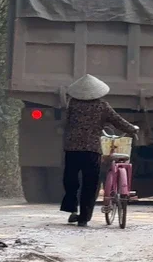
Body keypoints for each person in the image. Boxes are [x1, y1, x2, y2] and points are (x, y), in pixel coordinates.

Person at [60, 74, 139, 227]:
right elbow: (117, 121)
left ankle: (71, 206)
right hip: (91, 150)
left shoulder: (72, 104)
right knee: (90, 183)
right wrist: (132, 129)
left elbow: (66, 122)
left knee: (71, 179)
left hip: (72, 149)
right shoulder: (102, 106)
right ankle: (83, 217)